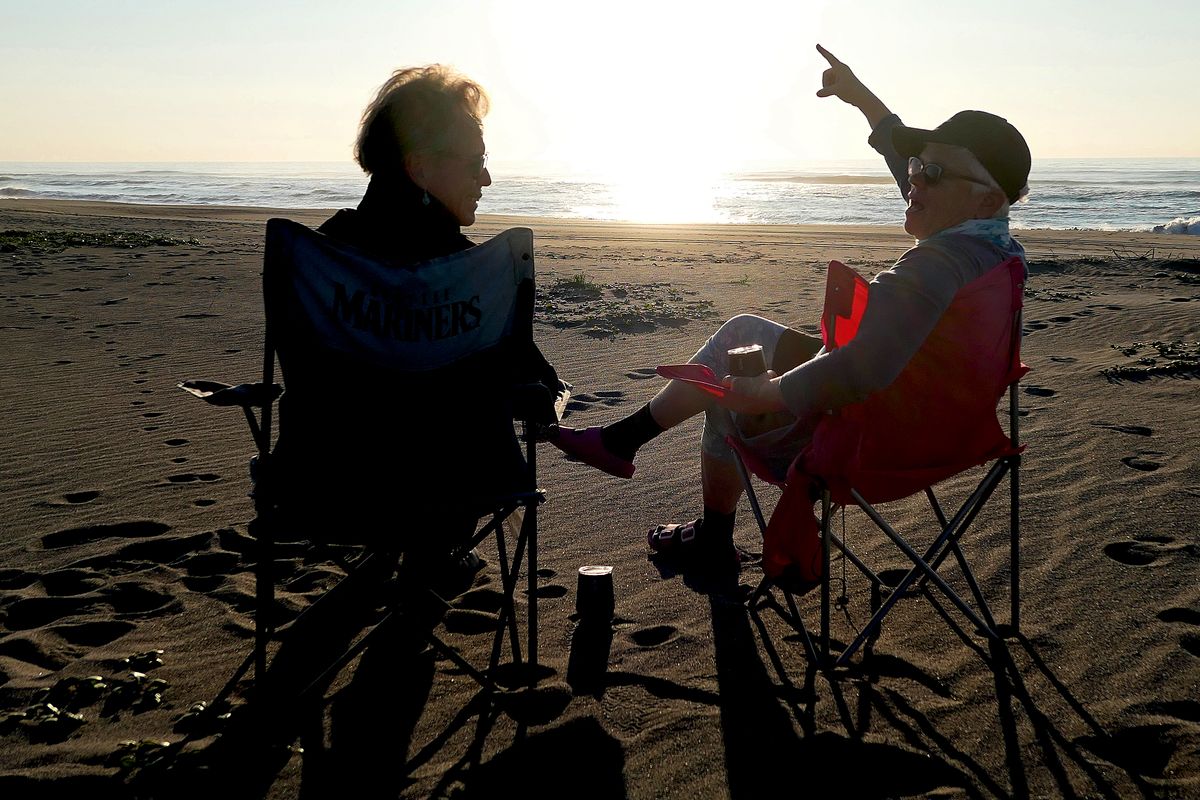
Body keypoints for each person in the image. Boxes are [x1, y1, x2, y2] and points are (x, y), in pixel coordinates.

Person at [550, 44, 1030, 572]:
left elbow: (862, 368)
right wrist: (860, 98)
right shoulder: (993, 251)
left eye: (932, 174)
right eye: (918, 167)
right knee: (744, 333)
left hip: (874, 439)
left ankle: (706, 531)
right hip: (945, 423)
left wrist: (768, 394)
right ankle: (623, 442)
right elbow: (908, 167)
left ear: (987, 199)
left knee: (730, 382)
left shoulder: (933, 267)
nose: (913, 180)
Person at [274, 65, 564, 552]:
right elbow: (531, 386)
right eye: (475, 162)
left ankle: (395, 569)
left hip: (323, 488)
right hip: (453, 495)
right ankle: (428, 573)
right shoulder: (478, 274)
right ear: (421, 168)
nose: (487, 178)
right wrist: (550, 394)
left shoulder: (319, 261)